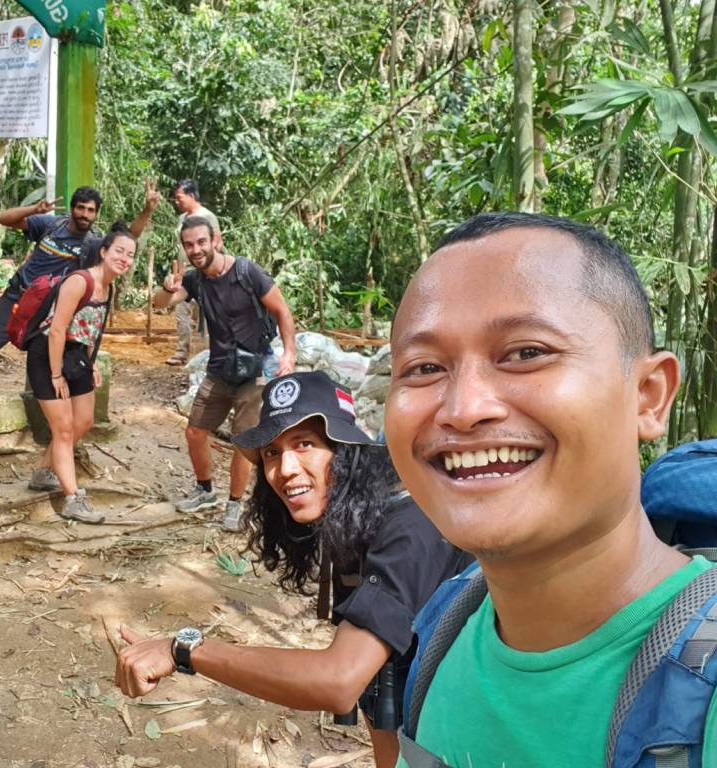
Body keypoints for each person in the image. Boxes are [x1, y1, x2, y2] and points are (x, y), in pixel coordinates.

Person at [384, 213, 717, 766]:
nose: (464, 408)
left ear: (649, 395)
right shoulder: (445, 624)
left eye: (526, 353)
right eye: (423, 368)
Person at [115, 371, 472, 767]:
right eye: (272, 452)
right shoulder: (352, 513)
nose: (284, 469)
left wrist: (184, 650)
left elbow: (340, 680)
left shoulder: (410, 527)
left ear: (346, 451)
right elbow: (380, 691)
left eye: (305, 444)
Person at [0, 179, 161, 408]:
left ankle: (45, 407)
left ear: (96, 214)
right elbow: (3, 218)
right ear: (72, 208)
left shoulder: (94, 244)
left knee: (46, 358)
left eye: (91, 210)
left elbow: (129, 237)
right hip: (18, 297)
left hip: (49, 311)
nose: (85, 214)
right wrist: (34, 209)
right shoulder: (52, 225)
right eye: (81, 208)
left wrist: (147, 210)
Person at [153, 215, 297, 531]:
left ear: (216, 240)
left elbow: (282, 310)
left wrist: (289, 353)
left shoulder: (247, 272)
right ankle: (205, 490)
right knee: (195, 431)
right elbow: (160, 303)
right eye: (189, 245)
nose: (196, 249)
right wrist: (166, 288)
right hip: (219, 368)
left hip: (255, 369)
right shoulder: (194, 280)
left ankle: (235, 504)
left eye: (201, 242)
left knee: (243, 441)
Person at [25, 222, 138, 523]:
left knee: (84, 421)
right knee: (63, 429)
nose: (124, 259)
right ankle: (73, 500)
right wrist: (55, 375)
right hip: (47, 355)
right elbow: (56, 330)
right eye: (119, 251)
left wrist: (92, 363)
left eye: (130, 255)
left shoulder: (108, 288)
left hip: (77, 356)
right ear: (103, 252)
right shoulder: (79, 281)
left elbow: (90, 329)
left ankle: (44, 472)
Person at [165, 179, 221, 367]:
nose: (177, 202)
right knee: (181, 312)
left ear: (191, 195)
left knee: (207, 314)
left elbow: (217, 243)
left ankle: (210, 354)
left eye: (179, 198)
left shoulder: (208, 217)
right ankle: (182, 352)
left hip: (203, 274)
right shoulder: (182, 219)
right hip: (184, 274)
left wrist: (207, 267)